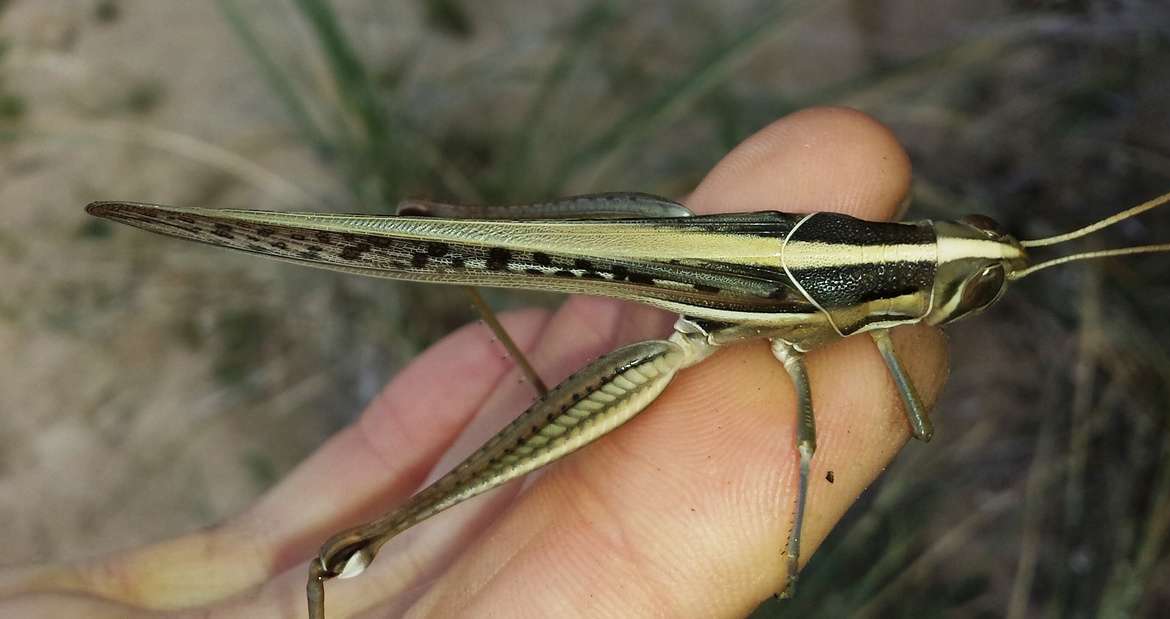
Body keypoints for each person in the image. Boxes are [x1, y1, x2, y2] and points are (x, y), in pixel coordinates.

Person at [1, 107, 948, 617]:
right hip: (681, 292)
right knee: (482, 241)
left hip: (695, 259)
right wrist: (787, 552)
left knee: (636, 228)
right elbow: (824, 417)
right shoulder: (859, 300)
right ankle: (351, 559)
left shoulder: (875, 279)